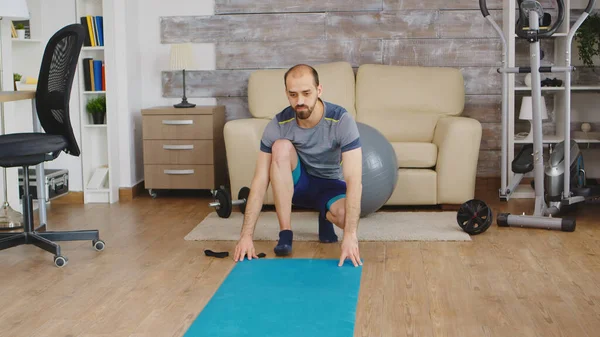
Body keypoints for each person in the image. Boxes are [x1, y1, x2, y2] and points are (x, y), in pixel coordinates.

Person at [233, 64, 363, 267]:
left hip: (330, 185)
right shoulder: (278, 124)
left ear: (319, 90)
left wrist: (350, 235)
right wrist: (245, 236)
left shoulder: (341, 120)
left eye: (306, 93)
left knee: (348, 218)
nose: (299, 101)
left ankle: (325, 215)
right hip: (297, 183)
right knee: (281, 146)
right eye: (293, 94)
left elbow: (354, 179)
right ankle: (285, 233)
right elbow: (259, 181)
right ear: (286, 93)